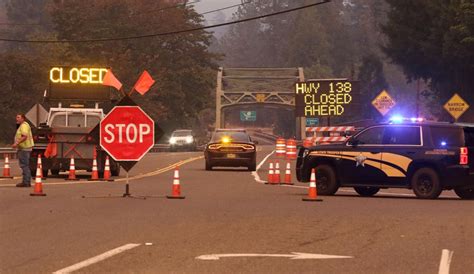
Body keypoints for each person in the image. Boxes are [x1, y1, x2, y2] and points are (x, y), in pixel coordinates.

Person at [12, 113, 34, 187]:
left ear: (23, 118)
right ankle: (26, 181)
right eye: (16, 117)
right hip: (25, 148)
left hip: (24, 148)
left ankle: (26, 182)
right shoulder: (23, 125)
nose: (16, 119)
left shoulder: (24, 126)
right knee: (25, 165)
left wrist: (16, 143)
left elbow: (24, 136)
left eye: (18, 117)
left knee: (24, 165)